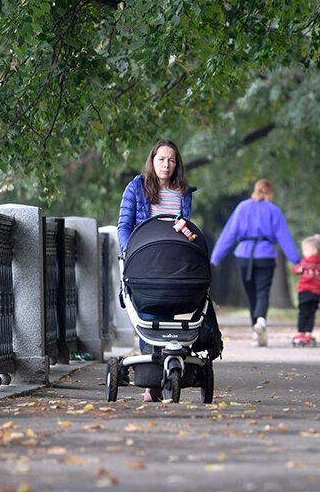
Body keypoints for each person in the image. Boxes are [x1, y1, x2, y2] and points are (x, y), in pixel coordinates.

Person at [117, 140, 193, 402]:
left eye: (171, 160)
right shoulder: (137, 187)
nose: (166, 165)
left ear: (176, 164)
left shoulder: (183, 192)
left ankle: (161, 373)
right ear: (153, 160)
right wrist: (131, 253)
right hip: (144, 260)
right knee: (148, 315)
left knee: (167, 313)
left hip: (171, 263)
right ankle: (151, 379)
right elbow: (124, 225)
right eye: (161, 159)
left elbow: (185, 228)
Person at [210, 179, 300, 347]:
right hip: (265, 255)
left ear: (255, 190)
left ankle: (255, 330)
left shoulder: (243, 207)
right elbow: (284, 237)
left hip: (244, 256)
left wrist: (216, 257)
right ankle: (260, 322)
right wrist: (296, 261)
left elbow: (229, 233)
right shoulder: (274, 211)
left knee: (251, 294)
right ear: (270, 193)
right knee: (262, 291)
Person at [291, 234, 320, 347]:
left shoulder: (305, 262)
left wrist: (297, 265)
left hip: (305, 291)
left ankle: (300, 332)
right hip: (317, 293)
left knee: (303, 312)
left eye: (306, 250)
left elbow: (296, 270)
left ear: (314, 250)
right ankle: (308, 332)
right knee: (312, 313)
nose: (304, 252)